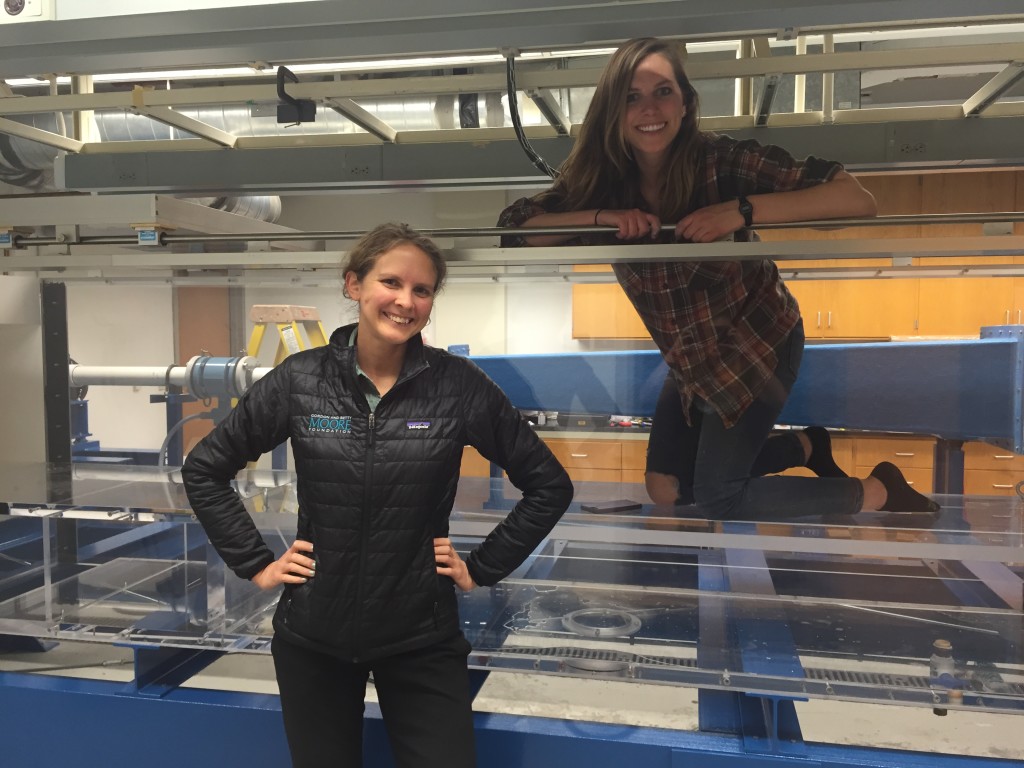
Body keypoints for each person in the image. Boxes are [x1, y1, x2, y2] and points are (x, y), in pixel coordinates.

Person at [181, 222, 573, 768]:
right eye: (390, 282)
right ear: (354, 286)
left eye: (422, 290)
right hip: (313, 637)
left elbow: (549, 485)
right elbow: (204, 468)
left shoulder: (458, 386)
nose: (405, 301)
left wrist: (482, 567)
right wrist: (256, 564)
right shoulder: (300, 381)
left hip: (421, 635)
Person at [498, 36, 938, 519]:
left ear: (685, 103)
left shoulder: (720, 162)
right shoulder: (602, 183)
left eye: (663, 91)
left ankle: (878, 489)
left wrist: (741, 210)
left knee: (717, 496)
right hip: (692, 357)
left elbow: (857, 200)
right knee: (666, 487)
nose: (649, 108)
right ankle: (804, 448)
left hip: (758, 341)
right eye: (631, 96)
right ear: (613, 111)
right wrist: (601, 217)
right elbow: (515, 233)